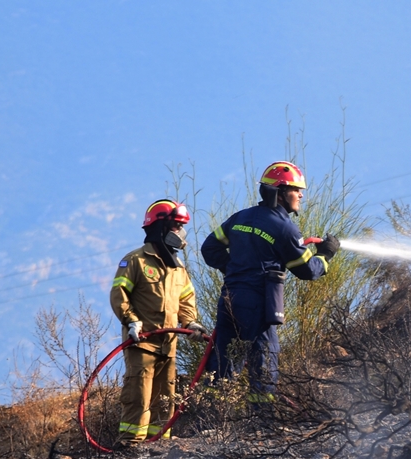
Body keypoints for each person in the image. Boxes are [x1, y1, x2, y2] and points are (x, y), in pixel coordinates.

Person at [198, 161, 340, 405]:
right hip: (258, 303)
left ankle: (210, 418)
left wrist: (234, 268)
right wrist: (326, 254)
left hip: (229, 298)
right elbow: (307, 271)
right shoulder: (285, 228)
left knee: (224, 357)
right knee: (265, 356)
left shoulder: (240, 217)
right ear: (281, 193)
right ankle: (261, 421)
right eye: (296, 190)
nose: (301, 195)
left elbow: (210, 248)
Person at [109, 199, 203, 444]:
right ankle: (131, 445)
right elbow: (119, 295)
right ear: (160, 227)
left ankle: (159, 445)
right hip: (143, 344)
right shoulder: (135, 260)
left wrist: (191, 323)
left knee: (165, 399)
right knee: (138, 397)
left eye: (181, 227)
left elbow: (186, 300)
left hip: (168, 346)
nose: (179, 234)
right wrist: (131, 321)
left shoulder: (177, 268)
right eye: (175, 227)